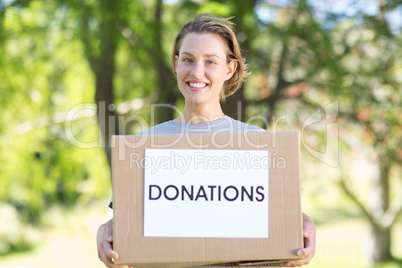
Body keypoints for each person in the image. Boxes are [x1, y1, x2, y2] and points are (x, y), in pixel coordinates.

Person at [97, 13, 316, 268]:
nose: (197, 71)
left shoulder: (258, 144)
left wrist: (304, 223)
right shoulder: (144, 144)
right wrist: (106, 230)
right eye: (188, 59)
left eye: (210, 61)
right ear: (176, 64)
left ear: (229, 69)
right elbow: (128, 219)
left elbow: (278, 215)